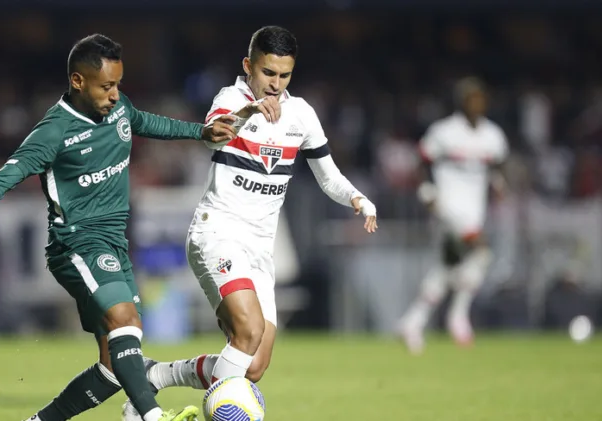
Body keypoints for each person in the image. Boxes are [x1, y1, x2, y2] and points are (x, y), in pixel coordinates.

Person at [0, 34, 236, 421]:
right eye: (106, 86)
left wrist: (201, 132)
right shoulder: (54, 131)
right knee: (126, 321)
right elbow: (5, 176)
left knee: (115, 368)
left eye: (118, 84)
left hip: (114, 242)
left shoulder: (118, 108)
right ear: (78, 81)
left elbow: (146, 121)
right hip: (77, 244)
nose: (115, 95)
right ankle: (152, 417)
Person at [122, 25, 378, 420]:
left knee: (253, 365)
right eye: (267, 74)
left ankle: (153, 375)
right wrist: (248, 112)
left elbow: (327, 176)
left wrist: (357, 198)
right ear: (249, 66)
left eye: (284, 75)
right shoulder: (231, 98)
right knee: (247, 332)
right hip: (217, 232)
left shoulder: (301, 115)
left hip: (262, 248)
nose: (275, 85)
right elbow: (212, 136)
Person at [397, 76, 509, 354]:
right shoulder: (444, 132)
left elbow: (498, 165)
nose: (476, 104)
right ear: (461, 102)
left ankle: (413, 320)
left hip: (475, 211)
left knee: (448, 267)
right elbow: (422, 161)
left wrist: (498, 184)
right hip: (447, 207)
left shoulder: (492, 135)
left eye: (480, 98)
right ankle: (458, 316)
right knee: (481, 251)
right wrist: (427, 192)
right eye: (471, 99)